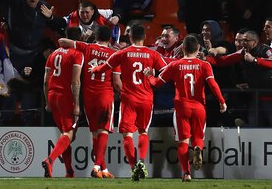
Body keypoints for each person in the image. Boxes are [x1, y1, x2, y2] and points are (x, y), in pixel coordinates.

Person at [143, 34, 227, 182]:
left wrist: (149, 75)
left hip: (181, 107)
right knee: (198, 137)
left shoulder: (175, 65)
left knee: (182, 141)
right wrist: (222, 101)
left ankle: (186, 173)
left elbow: (156, 83)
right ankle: (198, 149)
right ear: (199, 48)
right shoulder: (204, 65)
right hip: (199, 107)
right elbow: (213, 85)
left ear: (182, 48)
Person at [90, 24, 167, 181]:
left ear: (130, 37)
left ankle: (133, 167)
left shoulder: (123, 53)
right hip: (147, 99)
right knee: (143, 131)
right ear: (144, 37)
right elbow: (166, 71)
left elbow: (105, 67)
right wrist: (152, 78)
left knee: (127, 135)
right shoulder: (153, 54)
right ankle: (141, 161)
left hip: (129, 99)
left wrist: (94, 70)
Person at [58, 26, 122, 179]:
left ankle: (103, 169)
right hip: (104, 96)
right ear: (110, 39)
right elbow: (117, 83)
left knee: (95, 133)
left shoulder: (87, 47)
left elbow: (61, 41)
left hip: (88, 98)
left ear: (96, 36)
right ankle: (97, 166)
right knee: (104, 131)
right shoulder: (114, 54)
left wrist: (84, 42)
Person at [3, 0, 53, 126]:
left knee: (30, 89)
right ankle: (5, 121)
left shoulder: (43, 8)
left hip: (33, 56)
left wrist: (52, 18)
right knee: (9, 89)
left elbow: (56, 25)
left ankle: (29, 122)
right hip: (14, 55)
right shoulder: (17, 3)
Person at [204, 30, 272, 126]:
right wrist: (206, 59)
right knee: (254, 124)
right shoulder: (244, 52)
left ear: (255, 42)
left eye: (246, 40)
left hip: (270, 96)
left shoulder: (266, 50)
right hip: (256, 96)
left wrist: (255, 60)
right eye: (242, 40)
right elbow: (224, 60)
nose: (242, 43)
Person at [42, 27, 83, 178]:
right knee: (69, 133)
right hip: (65, 96)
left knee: (65, 134)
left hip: (52, 95)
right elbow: (75, 81)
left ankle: (69, 172)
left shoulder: (53, 54)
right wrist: (77, 104)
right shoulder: (77, 54)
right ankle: (50, 160)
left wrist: (47, 102)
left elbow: (46, 81)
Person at [41, 0, 120, 43]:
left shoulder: (101, 13)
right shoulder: (73, 17)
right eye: (82, 12)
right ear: (78, 11)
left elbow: (118, 10)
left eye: (87, 12)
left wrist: (117, 17)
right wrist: (51, 17)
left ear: (92, 11)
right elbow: (60, 22)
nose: (84, 15)